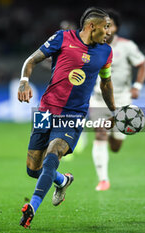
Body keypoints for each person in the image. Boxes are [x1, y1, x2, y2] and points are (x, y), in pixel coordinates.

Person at [18, 7, 116, 228]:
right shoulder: (63, 38)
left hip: (74, 114)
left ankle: (32, 206)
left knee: (53, 153)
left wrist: (114, 110)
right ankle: (62, 181)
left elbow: (106, 82)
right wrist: (24, 80)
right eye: (106, 27)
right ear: (92, 26)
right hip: (46, 110)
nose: (109, 32)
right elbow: (31, 60)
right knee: (33, 169)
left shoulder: (106, 52)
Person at [90, 9, 145, 191]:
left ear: (116, 28)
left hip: (122, 98)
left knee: (115, 146)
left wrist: (137, 86)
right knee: (100, 134)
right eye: (103, 25)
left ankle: (112, 132)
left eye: (110, 25)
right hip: (99, 99)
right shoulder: (90, 45)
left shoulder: (126, 46)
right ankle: (103, 180)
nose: (107, 29)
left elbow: (143, 65)